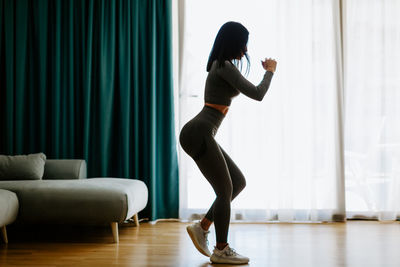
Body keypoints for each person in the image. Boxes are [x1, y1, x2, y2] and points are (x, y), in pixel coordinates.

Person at [179, 21, 277, 265]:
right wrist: (270, 71)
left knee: (238, 183)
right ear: (234, 42)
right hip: (199, 131)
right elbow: (257, 93)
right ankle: (221, 249)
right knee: (224, 190)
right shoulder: (223, 66)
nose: (245, 50)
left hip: (201, 132)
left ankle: (202, 227)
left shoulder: (220, 65)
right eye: (243, 44)